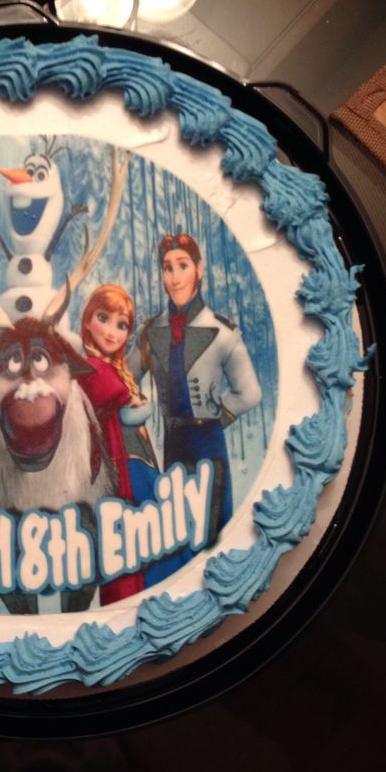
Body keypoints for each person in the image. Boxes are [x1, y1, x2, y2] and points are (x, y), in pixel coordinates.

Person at [129, 233, 261, 570]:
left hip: (208, 443)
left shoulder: (222, 331)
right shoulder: (150, 332)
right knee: (177, 530)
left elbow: (250, 393)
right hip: (173, 443)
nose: (174, 277)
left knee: (213, 530)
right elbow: (124, 379)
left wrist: (214, 415)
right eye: (167, 268)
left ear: (199, 269)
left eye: (183, 265)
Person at [79, 283, 147, 605]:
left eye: (121, 325)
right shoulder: (93, 367)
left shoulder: (109, 366)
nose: (111, 332)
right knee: (118, 539)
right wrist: (141, 403)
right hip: (106, 465)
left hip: (120, 462)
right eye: (103, 318)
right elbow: (126, 408)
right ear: (87, 320)